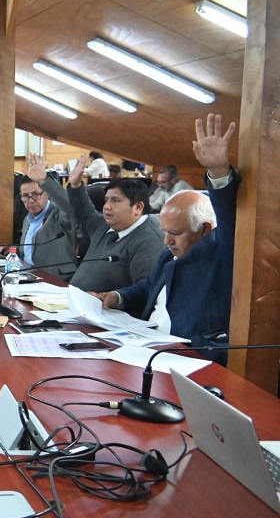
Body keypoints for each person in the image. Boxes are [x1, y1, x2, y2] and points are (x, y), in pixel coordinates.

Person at [95, 114, 238, 364]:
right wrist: (117, 296)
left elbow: (230, 217)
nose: (166, 241)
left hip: (186, 358)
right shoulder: (170, 254)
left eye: (175, 233)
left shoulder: (222, 253)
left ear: (205, 229)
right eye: (164, 232)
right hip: (144, 347)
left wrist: (217, 171)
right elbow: (149, 288)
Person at [42, 154, 164, 293]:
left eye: (115, 200)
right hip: (74, 302)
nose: (107, 206)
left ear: (138, 208)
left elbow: (147, 289)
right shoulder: (105, 225)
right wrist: (75, 184)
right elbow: (84, 214)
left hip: (108, 311)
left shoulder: (149, 241)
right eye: (106, 200)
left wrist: (115, 298)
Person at [14, 154, 77, 279]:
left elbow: (70, 205)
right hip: (28, 276)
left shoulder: (61, 214)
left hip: (56, 279)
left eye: (36, 194)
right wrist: (14, 249)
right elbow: (31, 249)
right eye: (25, 196)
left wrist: (44, 180)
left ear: (47, 193)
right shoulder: (28, 219)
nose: (30, 200)